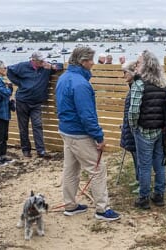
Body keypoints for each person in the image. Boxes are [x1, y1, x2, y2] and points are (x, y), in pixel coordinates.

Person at [55, 47, 121, 221]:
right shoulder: (81, 84)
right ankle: (102, 209)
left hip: (66, 130)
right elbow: (87, 115)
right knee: (98, 169)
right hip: (79, 133)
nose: (93, 63)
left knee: (71, 169)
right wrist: (98, 137)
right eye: (90, 60)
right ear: (83, 61)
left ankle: (70, 205)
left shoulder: (64, 78)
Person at [129, 50, 166, 209]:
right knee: (159, 163)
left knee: (144, 165)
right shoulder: (163, 84)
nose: (136, 65)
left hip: (144, 130)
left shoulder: (139, 84)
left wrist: (133, 127)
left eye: (138, 62)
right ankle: (159, 195)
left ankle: (143, 198)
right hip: (160, 130)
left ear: (145, 65)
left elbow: (133, 111)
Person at [7, 51, 57, 159]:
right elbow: (9, 70)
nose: (43, 62)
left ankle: (41, 150)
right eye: (41, 61)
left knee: (37, 125)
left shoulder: (46, 67)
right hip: (22, 101)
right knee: (23, 127)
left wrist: (53, 66)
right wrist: (20, 83)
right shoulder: (22, 66)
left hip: (36, 103)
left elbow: (60, 66)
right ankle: (26, 150)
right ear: (33, 60)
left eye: (44, 60)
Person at [120, 61, 138, 194]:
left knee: (139, 157)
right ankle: (139, 178)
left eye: (125, 72)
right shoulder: (132, 87)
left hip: (134, 128)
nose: (123, 75)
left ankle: (143, 182)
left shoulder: (136, 88)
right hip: (129, 127)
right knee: (134, 154)